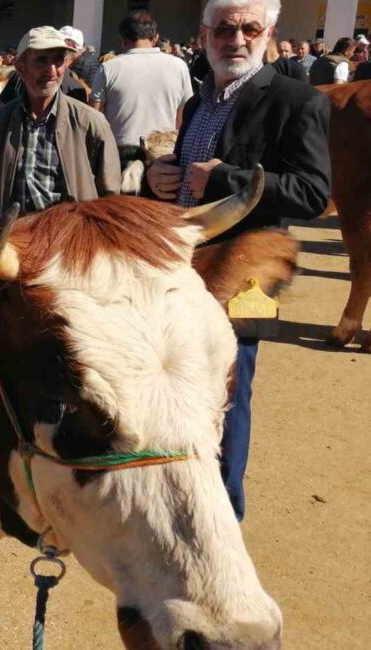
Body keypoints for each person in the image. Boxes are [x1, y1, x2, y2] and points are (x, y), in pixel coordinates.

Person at [146, 0, 330, 520]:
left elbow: (314, 193)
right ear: (205, 35)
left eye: (250, 27)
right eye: (225, 28)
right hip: (183, 270)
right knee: (177, 383)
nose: (237, 38)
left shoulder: (296, 100)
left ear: (268, 32)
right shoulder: (199, 100)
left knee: (230, 391)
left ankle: (222, 512)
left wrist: (226, 177)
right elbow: (188, 175)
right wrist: (159, 177)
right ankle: (177, 496)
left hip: (245, 271)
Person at [0, 26, 120, 218]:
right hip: (12, 239)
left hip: (69, 240)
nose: (52, 70)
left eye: (58, 60)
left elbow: (110, 196)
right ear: (21, 67)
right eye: (42, 60)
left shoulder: (90, 123)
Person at [90, 11, 193, 147]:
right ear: (155, 38)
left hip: (118, 155)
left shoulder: (109, 68)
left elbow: (92, 119)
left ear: (122, 39)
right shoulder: (179, 66)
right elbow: (183, 120)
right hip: (163, 154)